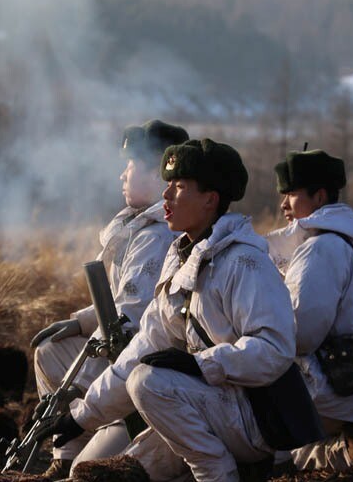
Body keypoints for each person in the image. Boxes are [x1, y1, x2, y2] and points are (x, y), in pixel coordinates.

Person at [38, 138, 302, 482]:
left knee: (148, 382)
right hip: (208, 406)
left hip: (254, 417)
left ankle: (221, 474)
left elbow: (275, 350)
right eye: (167, 185)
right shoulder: (182, 259)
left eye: (179, 187)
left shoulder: (245, 262)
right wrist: (81, 417)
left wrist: (200, 364)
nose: (166, 196)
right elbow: (144, 346)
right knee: (87, 472)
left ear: (210, 199)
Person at [30, 119, 189, 479]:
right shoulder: (137, 227)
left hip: (141, 373)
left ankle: (91, 433)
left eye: (130, 166)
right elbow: (121, 305)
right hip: (121, 359)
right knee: (51, 351)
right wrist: (82, 321)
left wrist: (85, 393)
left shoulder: (156, 238)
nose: (122, 176)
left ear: (154, 174)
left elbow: (129, 323)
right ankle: (67, 452)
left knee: (91, 473)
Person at [269, 148, 353, 477]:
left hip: (326, 388)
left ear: (319, 196)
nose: (283, 205)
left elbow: (300, 336)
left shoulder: (320, 249)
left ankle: (345, 455)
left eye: (291, 194)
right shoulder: (349, 244)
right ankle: (350, 446)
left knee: (256, 445)